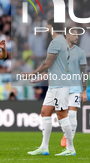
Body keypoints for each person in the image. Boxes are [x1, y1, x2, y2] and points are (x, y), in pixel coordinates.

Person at [27, 18, 75, 156]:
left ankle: (71, 149)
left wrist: (33, 73)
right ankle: (44, 147)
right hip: (55, 84)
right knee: (45, 112)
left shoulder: (56, 42)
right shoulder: (62, 42)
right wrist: (42, 77)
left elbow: (47, 64)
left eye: (47, 26)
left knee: (61, 114)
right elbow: (55, 67)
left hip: (60, 85)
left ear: (51, 27)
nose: (46, 29)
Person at [60, 28, 87, 148]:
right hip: (61, 87)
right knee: (62, 115)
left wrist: (84, 91)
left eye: (78, 35)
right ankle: (66, 134)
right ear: (67, 35)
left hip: (75, 88)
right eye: (74, 34)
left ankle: (68, 143)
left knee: (72, 114)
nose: (77, 37)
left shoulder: (80, 52)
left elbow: (84, 72)